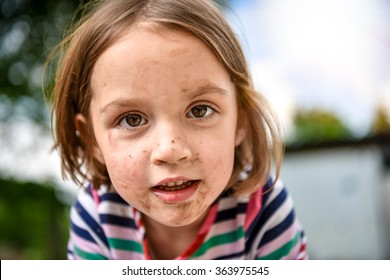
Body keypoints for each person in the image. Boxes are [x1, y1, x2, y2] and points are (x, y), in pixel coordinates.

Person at [47, 0, 307, 260]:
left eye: (199, 110)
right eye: (132, 120)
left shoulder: (264, 209)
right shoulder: (96, 216)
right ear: (92, 138)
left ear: (241, 121)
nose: (170, 150)